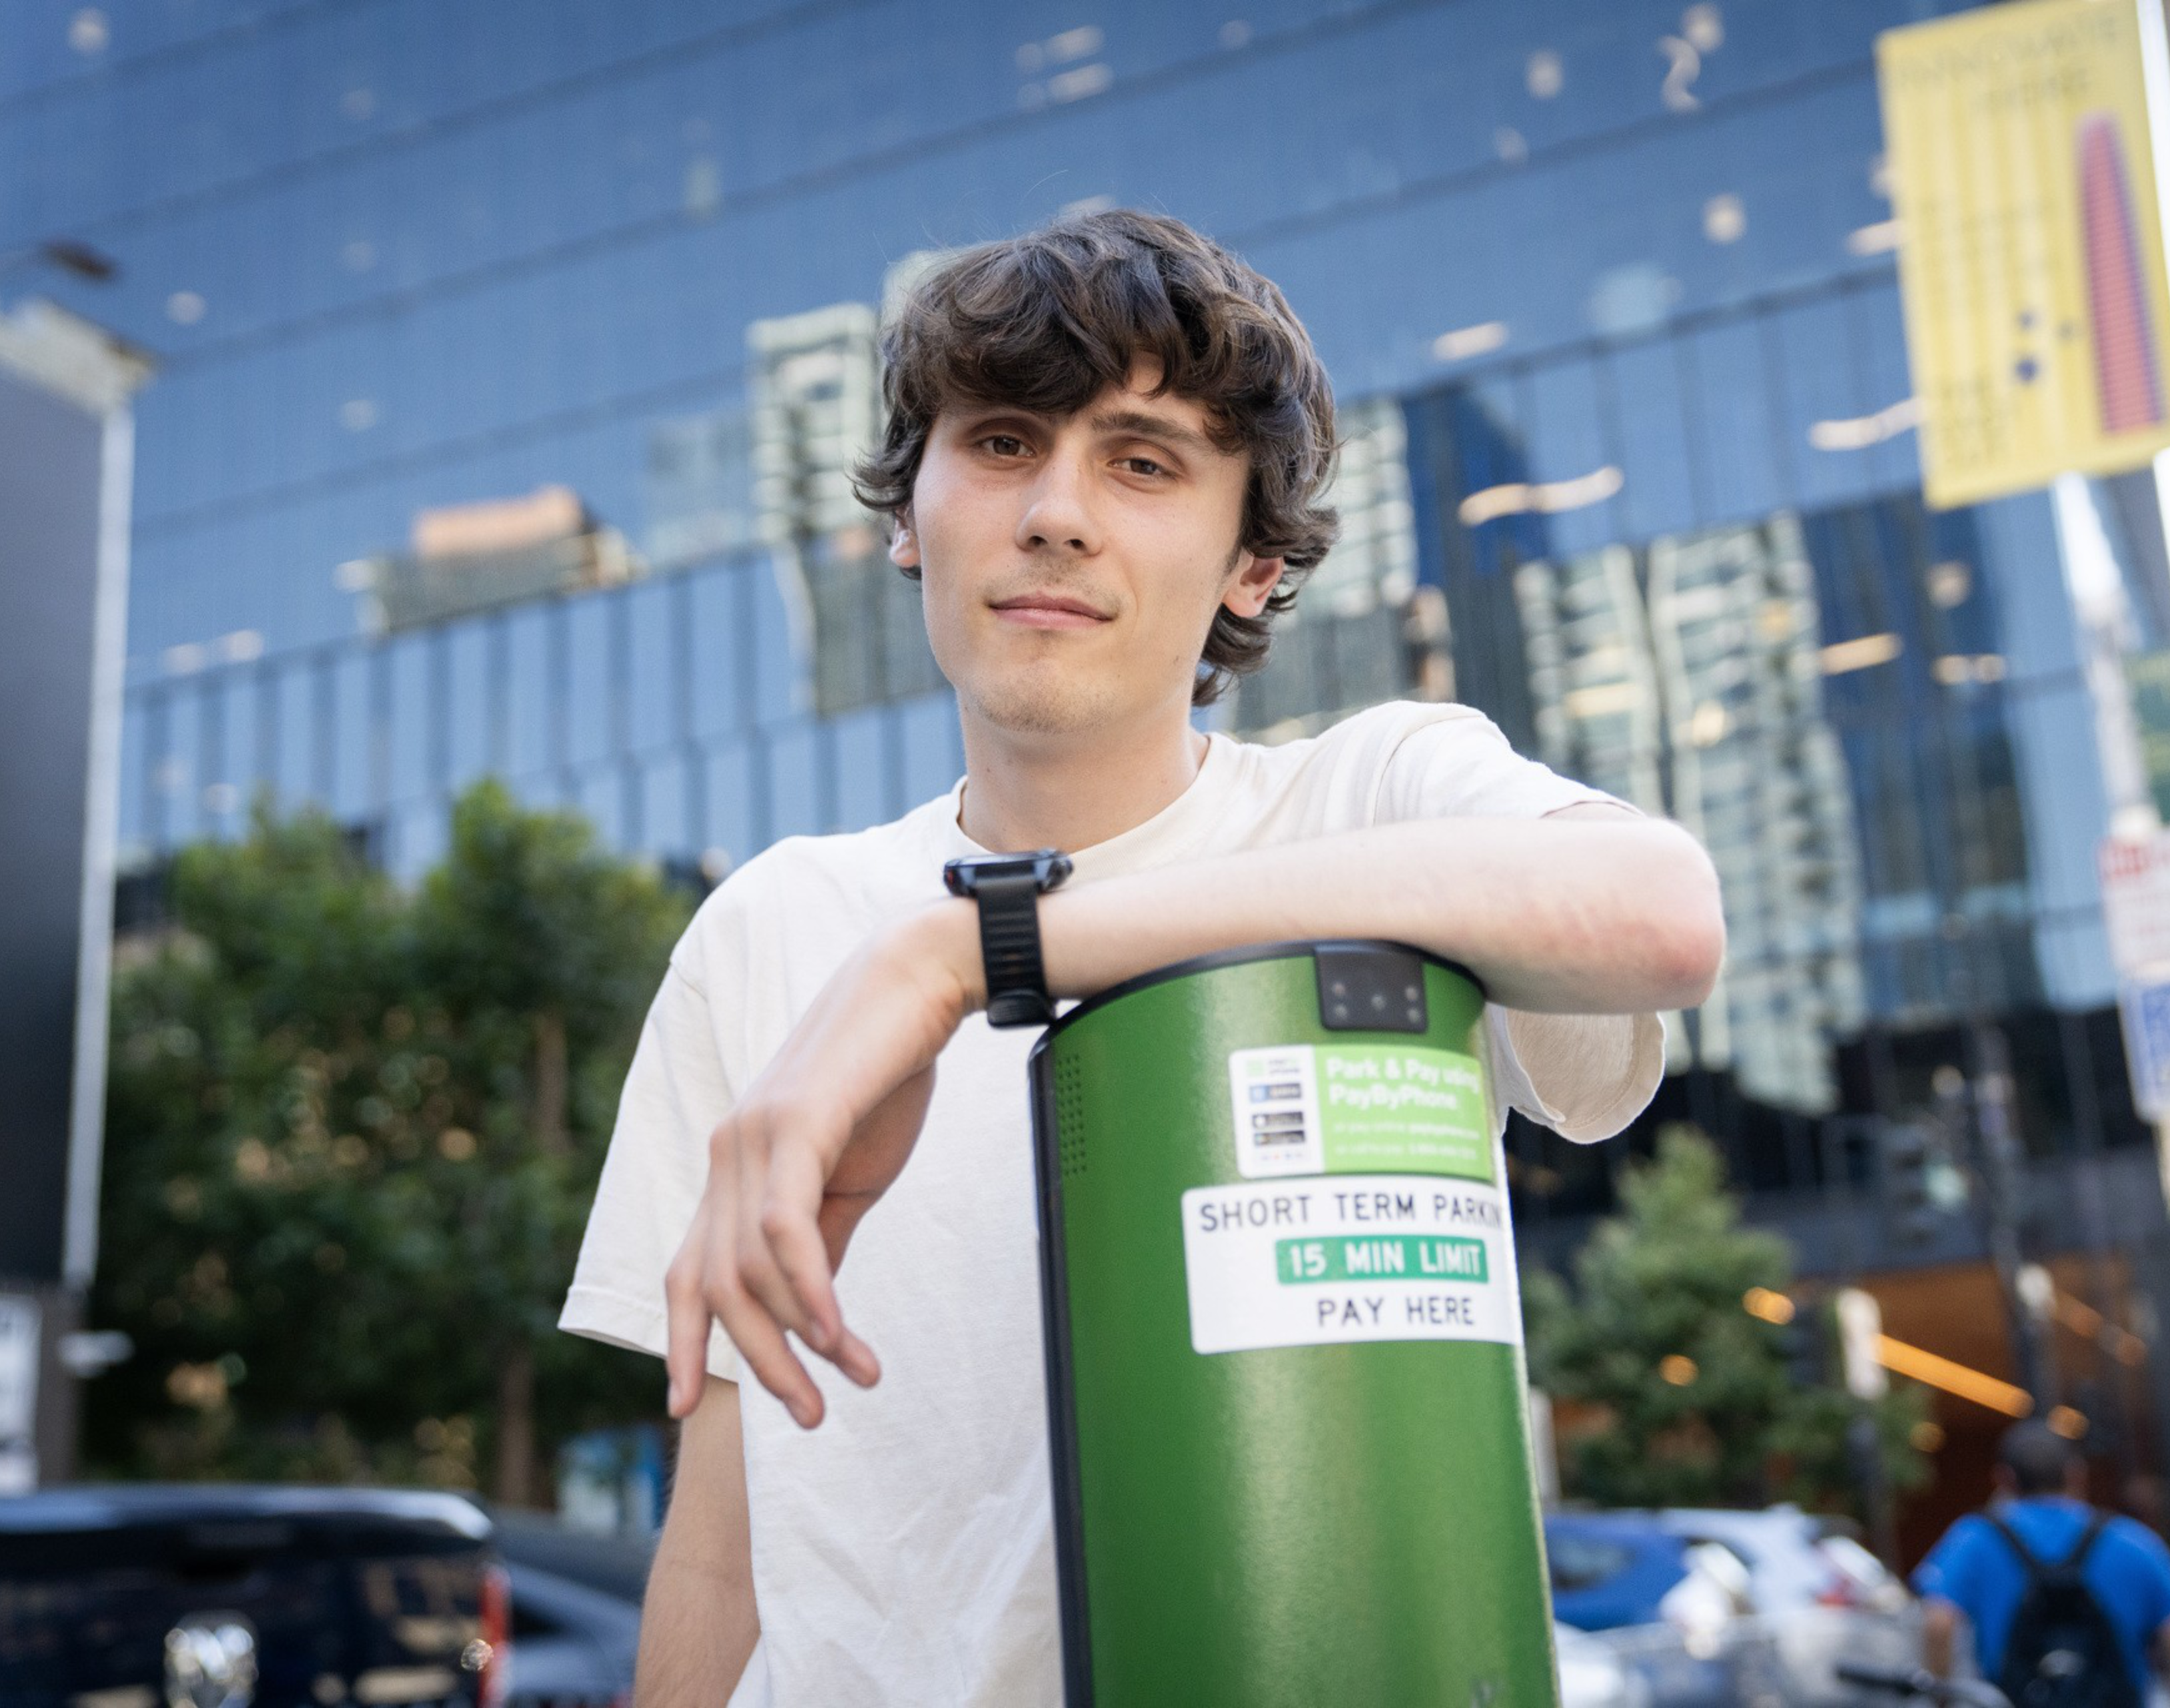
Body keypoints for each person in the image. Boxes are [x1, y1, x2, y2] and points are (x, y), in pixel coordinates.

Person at [558, 209, 1726, 1707]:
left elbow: (1657, 912)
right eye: (996, 444)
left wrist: (962, 955)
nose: (1054, 511)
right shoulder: (770, 925)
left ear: (1251, 563)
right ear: (906, 519)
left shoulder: (1363, 795)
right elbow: (725, 1538)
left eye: (1141, 460)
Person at [1914, 1420, 2170, 1708]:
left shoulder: (1974, 1539)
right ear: (2076, 1474)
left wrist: (1942, 1701)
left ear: (2003, 1479)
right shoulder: (2132, 1540)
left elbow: (1939, 1624)